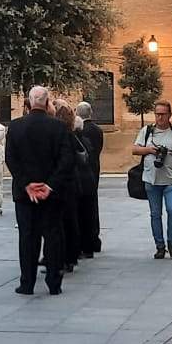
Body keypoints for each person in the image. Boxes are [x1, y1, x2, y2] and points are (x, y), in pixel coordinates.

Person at [5, 85, 77, 295]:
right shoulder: (58, 127)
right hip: (51, 195)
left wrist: (27, 183)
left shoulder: (16, 127)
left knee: (27, 237)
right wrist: (49, 185)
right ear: (47, 103)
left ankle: (27, 282)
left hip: (25, 194)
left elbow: (11, 159)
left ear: (28, 102)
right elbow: (67, 159)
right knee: (54, 235)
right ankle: (54, 282)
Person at [131, 99, 172, 260]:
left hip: (171, 180)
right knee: (155, 214)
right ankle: (160, 246)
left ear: (169, 115)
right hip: (151, 181)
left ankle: (171, 243)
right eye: (157, 114)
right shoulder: (147, 131)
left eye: (163, 114)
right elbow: (135, 149)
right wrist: (149, 150)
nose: (159, 118)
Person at [54, 101, 86, 274]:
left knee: (64, 222)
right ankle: (71, 256)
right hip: (72, 182)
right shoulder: (71, 134)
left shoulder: (64, 135)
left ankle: (66, 257)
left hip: (65, 183)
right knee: (70, 220)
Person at [74, 102, 105, 258]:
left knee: (84, 209)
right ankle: (94, 239)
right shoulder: (98, 130)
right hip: (94, 171)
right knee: (93, 206)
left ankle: (85, 242)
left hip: (83, 173)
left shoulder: (81, 131)